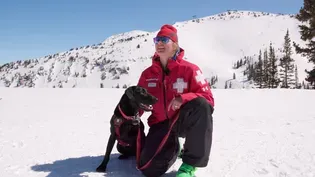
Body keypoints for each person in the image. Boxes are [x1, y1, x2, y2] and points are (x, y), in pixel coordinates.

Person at [136, 24, 215, 177]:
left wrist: (183, 98)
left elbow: (208, 99)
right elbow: (138, 102)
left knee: (201, 105)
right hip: (159, 124)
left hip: (182, 121)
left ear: (175, 45)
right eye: (157, 40)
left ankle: (189, 165)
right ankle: (174, 148)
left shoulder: (190, 69)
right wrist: (129, 116)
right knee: (149, 170)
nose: (159, 43)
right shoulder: (147, 74)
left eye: (164, 40)